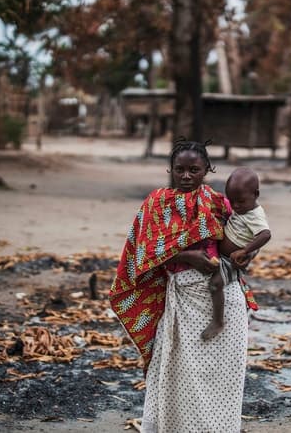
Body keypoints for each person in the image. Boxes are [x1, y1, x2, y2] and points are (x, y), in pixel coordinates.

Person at [109, 140, 257, 433]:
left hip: (223, 298)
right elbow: (142, 253)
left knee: (223, 374)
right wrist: (187, 256)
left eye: (194, 170)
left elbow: (245, 236)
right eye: (180, 169)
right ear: (171, 170)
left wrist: (245, 256)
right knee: (178, 372)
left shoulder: (219, 203)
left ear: (207, 170)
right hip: (182, 300)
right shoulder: (156, 204)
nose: (186, 176)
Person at [202, 167, 270, 341]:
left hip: (230, 261)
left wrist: (245, 251)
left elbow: (265, 235)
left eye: (241, 201)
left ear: (256, 194)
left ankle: (218, 321)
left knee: (215, 284)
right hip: (223, 255)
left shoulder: (255, 215)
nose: (236, 206)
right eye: (232, 201)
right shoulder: (241, 209)